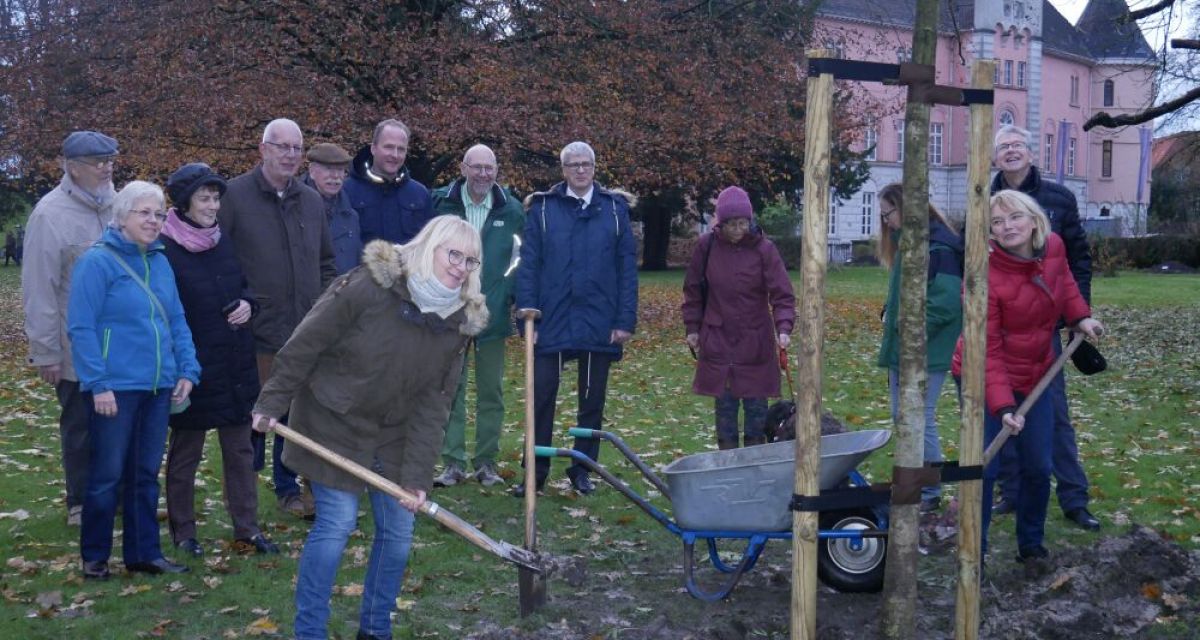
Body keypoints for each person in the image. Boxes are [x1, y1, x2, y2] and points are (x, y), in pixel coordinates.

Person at [251, 216, 487, 640]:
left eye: (471, 260)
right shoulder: (368, 286)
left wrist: (417, 476)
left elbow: (435, 404)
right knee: (337, 523)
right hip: (333, 417)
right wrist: (272, 401)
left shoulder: (456, 324)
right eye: (453, 253)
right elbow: (307, 342)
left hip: (394, 431)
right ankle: (310, 632)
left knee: (398, 532)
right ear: (428, 245)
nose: (461, 266)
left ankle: (375, 630)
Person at [952, 189, 1103, 570]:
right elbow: (987, 351)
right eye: (997, 223)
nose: (1006, 227)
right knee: (984, 466)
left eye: (1014, 217)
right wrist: (1003, 406)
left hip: (1037, 370)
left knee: (1038, 464)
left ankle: (1031, 545)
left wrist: (1079, 317)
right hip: (981, 374)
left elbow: (1064, 284)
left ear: (1034, 219)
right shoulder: (983, 276)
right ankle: (976, 551)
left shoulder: (1052, 246)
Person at [67, 180, 201, 579]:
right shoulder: (97, 262)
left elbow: (175, 319)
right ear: (121, 215)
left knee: (145, 474)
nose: (153, 221)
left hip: (158, 386)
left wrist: (187, 371)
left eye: (159, 214)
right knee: (107, 474)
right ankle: (94, 557)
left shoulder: (160, 261)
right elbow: (81, 326)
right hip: (116, 389)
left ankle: (145, 554)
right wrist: (98, 383)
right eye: (144, 212)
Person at [219, 118, 337, 519]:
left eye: (296, 148)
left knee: (301, 417)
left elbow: (326, 262)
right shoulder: (234, 196)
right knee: (255, 419)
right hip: (255, 333)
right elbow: (221, 261)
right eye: (281, 146)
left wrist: (323, 311)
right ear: (263, 149)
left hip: (305, 331)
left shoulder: (311, 200)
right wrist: (239, 304)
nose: (289, 155)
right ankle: (243, 500)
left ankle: (293, 489)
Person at [160, 163, 279, 558]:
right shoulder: (166, 249)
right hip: (193, 368)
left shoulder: (222, 239)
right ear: (184, 202)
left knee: (241, 451)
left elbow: (243, 286)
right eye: (204, 198)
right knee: (185, 454)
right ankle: (184, 532)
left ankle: (247, 527)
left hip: (234, 363)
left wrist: (247, 305)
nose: (213, 206)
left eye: (215, 198)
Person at [989, 124, 1100, 531]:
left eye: (1018, 145)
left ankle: (1074, 497)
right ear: (995, 158)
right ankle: (1013, 493)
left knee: (1053, 414)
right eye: (1004, 147)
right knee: (1004, 411)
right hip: (999, 328)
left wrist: (1078, 316)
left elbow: (1076, 263)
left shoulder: (1058, 199)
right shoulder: (985, 200)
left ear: (1031, 153)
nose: (1012, 151)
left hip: (1044, 330)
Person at [513, 141, 638, 497]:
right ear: (563, 169)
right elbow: (528, 267)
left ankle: (583, 469)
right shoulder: (543, 209)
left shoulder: (614, 210)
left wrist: (625, 319)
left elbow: (626, 268)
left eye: (586, 164)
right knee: (541, 397)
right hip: (551, 319)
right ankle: (534, 472)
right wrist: (526, 317)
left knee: (591, 401)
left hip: (599, 320)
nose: (580, 170)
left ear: (595, 168)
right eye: (573, 165)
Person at [22, 130, 119, 527]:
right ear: (72, 168)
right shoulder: (49, 215)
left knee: (120, 424)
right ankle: (80, 501)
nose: (107, 168)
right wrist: (46, 351)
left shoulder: (121, 205)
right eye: (98, 162)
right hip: (75, 343)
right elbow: (38, 288)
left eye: (111, 160)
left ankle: (119, 495)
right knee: (80, 427)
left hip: (123, 344)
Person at [431, 144, 525, 488]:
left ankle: (486, 462)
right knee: (450, 390)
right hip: (450, 314)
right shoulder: (441, 204)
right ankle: (452, 462)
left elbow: (521, 261)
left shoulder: (512, 210)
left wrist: (510, 298)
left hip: (493, 316)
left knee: (491, 392)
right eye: (477, 167)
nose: (483, 174)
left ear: (497, 170)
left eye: (490, 168)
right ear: (463, 167)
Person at [681, 186, 795, 450]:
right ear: (721, 223)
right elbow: (693, 290)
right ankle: (727, 461)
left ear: (750, 221)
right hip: (718, 339)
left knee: (756, 411)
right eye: (731, 224)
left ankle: (755, 461)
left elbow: (782, 294)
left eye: (742, 223)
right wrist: (693, 328)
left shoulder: (765, 249)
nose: (737, 230)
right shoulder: (706, 246)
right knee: (725, 410)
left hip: (755, 341)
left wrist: (784, 327)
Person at [874, 183, 963, 512]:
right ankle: (914, 484)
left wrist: (909, 330)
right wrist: (890, 311)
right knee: (905, 415)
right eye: (882, 217)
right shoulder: (911, 245)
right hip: (909, 346)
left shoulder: (938, 247)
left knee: (919, 417)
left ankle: (927, 492)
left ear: (906, 207)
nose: (886, 223)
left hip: (928, 349)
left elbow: (947, 302)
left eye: (889, 214)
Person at [343, 119, 435, 245]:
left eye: (401, 149)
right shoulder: (346, 191)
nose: (395, 155)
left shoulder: (420, 194)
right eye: (389, 147)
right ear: (373, 148)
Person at [303, 143, 363, 275]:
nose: (335, 176)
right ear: (312, 171)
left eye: (341, 170)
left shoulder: (351, 217)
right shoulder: (294, 209)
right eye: (329, 169)